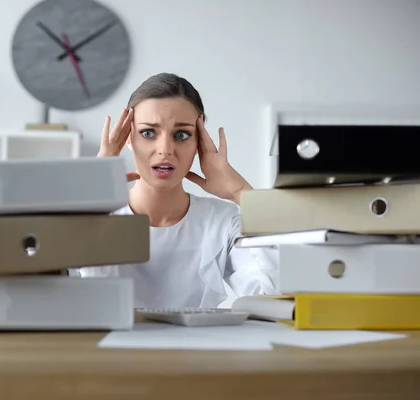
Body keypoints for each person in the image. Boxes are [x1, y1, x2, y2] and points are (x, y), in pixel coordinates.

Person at [73, 72, 279, 309]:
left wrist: (240, 193)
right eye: (148, 133)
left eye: (181, 135)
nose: (165, 149)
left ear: (199, 144)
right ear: (127, 138)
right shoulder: (94, 218)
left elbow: (273, 298)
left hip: (198, 345)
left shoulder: (223, 223)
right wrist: (87, 194)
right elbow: (53, 293)